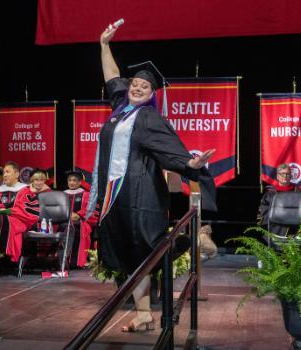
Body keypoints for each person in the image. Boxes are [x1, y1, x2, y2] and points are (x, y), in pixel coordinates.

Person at [89, 24, 216, 333]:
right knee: (126, 253)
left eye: (144, 87)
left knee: (146, 248)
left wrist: (191, 162)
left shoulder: (149, 118)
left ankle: (193, 240)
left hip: (138, 193)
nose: (137, 88)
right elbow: (111, 75)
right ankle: (144, 313)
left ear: (151, 94)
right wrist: (104, 44)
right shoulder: (119, 107)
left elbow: (169, 150)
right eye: (134, 84)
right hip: (113, 193)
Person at [63, 170, 98, 268]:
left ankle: (76, 261)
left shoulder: (86, 194)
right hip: (64, 220)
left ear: (79, 182)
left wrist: (79, 215)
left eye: (74, 180)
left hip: (81, 221)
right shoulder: (62, 194)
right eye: (69, 180)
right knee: (61, 227)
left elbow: (89, 209)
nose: (72, 183)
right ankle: (61, 260)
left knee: (78, 227)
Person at [257, 163, 301, 237]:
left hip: (294, 233)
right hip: (274, 233)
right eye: (282, 174)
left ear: (291, 176)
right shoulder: (270, 194)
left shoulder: (299, 193)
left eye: (287, 174)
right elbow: (262, 216)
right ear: (277, 176)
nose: (285, 176)